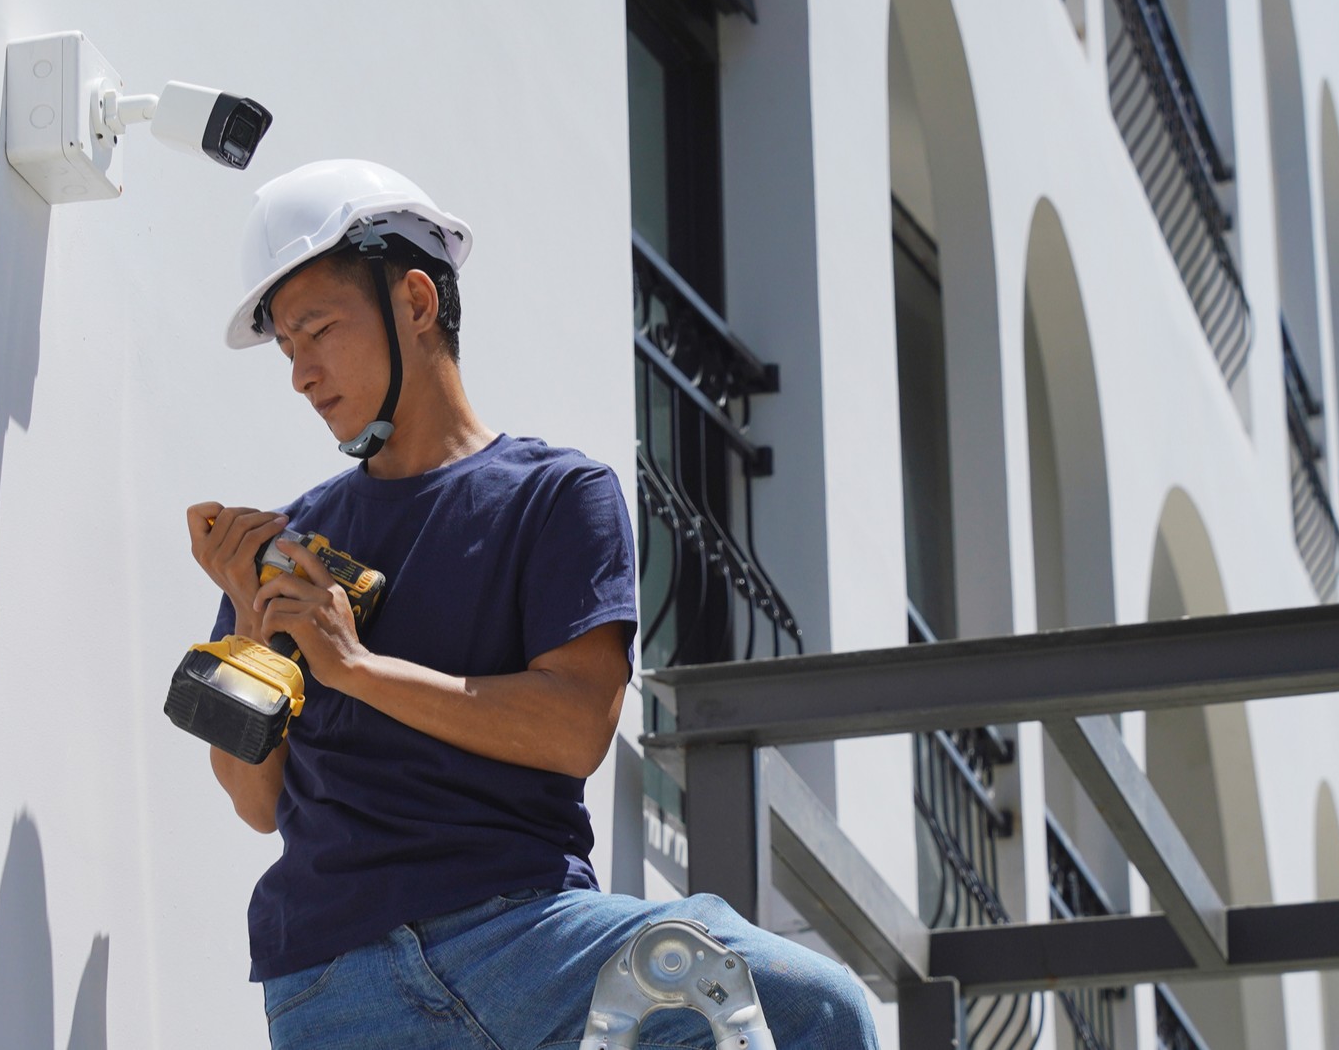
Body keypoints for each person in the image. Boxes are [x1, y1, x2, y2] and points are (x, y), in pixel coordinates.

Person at [187, 159, 876, 1048]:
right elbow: (252, 800)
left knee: (812, 1009)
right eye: (285, 347)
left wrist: (353, 666)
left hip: (526, 947)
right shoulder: (292, 547)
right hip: (330, 978)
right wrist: (250, 621)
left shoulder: (558, 497)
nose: (300, 373)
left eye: (316, 330)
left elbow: (572, 728)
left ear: (418, 303)